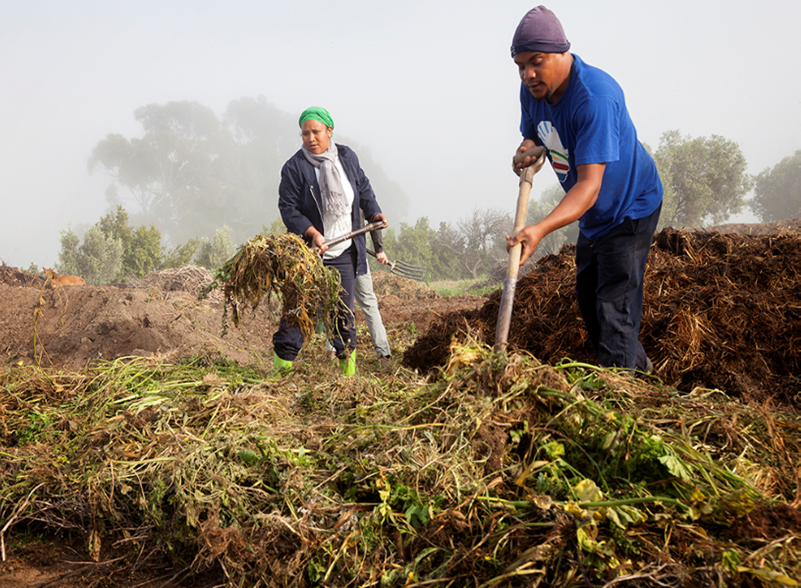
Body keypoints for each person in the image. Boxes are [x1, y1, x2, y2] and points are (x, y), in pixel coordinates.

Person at [506, 6, 663, 373]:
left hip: (628, 208)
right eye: (520, 66)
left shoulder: (594, 98)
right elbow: (534, 133)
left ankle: (621, 396)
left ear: (562, 52)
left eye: (536, 62)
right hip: (593, 214)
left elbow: (589, 186)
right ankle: (641, 373)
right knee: (591, 302)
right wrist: (527, 149)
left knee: (614, 308)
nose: (528, 74)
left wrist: (540, 229)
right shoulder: (533, 91)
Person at [273, 106, 387, 376]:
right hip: (310, 254)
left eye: (316, 132)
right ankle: (278, 379)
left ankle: (348, 379)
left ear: (330, 131)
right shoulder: (294, 168)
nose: (310, 138)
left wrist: (374, 213)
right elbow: (288, 209)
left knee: (343, 317)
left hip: (345, 252)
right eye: (305, 134)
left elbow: (364, 189)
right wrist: (312, 232)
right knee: (297, 314)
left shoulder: (347, 157)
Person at [326, 216, 393, 364]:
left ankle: (383, 353)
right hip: (337, 256)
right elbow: (372, 214)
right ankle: (334, 350)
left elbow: (373, 215)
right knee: (338, 304)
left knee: (337, 303)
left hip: (350, 256)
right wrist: (379, 249)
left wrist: (379, 249)